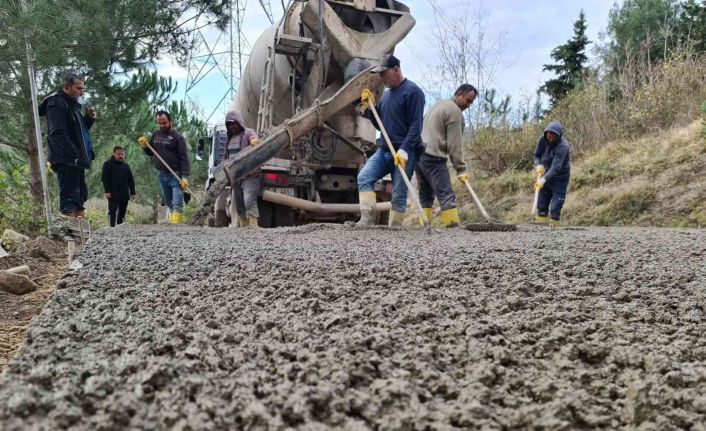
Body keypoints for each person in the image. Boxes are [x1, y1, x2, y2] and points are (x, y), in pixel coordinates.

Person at [356, 54, 425, 226]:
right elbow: (381, 126)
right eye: (380, 74)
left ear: (396, 70)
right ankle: (367, 219)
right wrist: (370, 108)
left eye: (384, 73)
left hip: (404, 153)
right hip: (384, 151)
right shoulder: (386, 96)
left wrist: (404, 149)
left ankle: (395, 228)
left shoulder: (413, 92)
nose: (382, 78)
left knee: (399, 193)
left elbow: (416, 126)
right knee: (364, 177)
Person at [416, 84, 477, 228]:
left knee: (425, 197)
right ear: (459, 94)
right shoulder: (454, 111)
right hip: (433, 157)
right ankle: (453, 229)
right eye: (468, 100)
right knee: (446, 195)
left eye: (471, 103)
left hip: (419, 157)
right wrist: (461, 169)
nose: (468, 105)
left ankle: (423, 229)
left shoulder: (438, 105)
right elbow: (454, 145)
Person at [39, 73, 97, 218]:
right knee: (69, 197)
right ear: (66, 87)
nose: (82, 92)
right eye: (78, 88)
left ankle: (84, 236)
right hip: (65, 158)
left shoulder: (73, 105)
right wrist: (75, 154)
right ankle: (71, 236)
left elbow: (78, 133)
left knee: (80, 197)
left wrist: (88, 119)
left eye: (83, 88)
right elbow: (58, 133)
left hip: (76, 159)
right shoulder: (56, 103)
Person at [139, 111, 190, 224]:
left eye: (164, 123)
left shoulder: (178, 137)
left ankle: (177, 226)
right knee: (169, 202)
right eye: (160, 123)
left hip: (175, 174)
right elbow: (151, 152)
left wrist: (185, 176)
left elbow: (184, 158)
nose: (162, 125)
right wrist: (144, 146)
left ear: (170, 121)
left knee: (177, 202)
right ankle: (172, 226)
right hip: (162, 175)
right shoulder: (156, 135)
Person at [218, 111, 260, 227]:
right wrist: (222, 168)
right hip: (236, 177)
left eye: (234, 124)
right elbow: (225, 157)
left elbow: (254, 137)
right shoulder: (230, 139)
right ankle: (244, 227)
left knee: (249, 200)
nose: (232, 127)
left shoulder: (248, 132)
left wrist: (254, 141)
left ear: (239, 122)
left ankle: (253, 227)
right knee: (240, 204)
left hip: (250, 175)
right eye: (229, 125)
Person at [533, 121, 571, 226]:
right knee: (541, 204)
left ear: (558, 136)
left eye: (553, 136)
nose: (550, 138)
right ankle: (541, 227)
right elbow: (536, 155)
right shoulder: (542, 139)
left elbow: (556, 168)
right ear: (546, 133)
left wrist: (543, 180)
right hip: (546, 175)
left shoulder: (562, 146)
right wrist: (538, 165)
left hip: (560, 178)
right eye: (549, 135)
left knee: (555, 207)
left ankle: (555, 227)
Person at [101, 146, 136, 227]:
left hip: (124, 192)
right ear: (114, 154)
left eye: (122, 154)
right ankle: (111, 226)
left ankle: (120, 226)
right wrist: (107, 191)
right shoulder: (107, 164)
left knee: (123, 211)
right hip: (112, 192)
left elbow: (131, 179)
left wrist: (132, 192)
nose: (121, 156)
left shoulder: (126, 166)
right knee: (112, 210)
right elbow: (104, 179)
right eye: (119, 154)